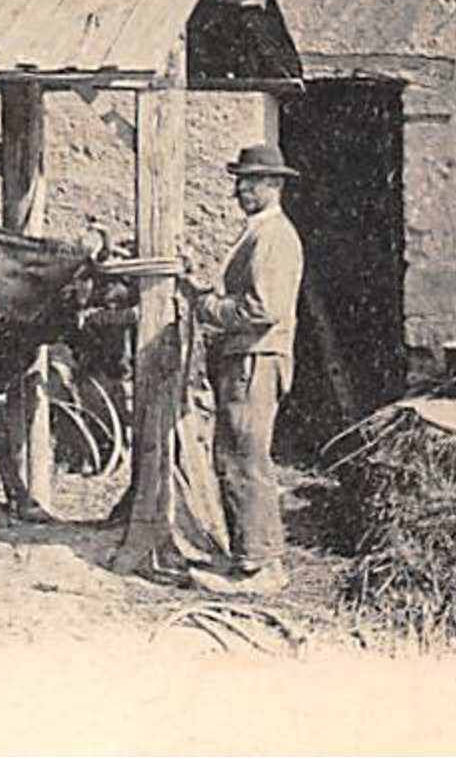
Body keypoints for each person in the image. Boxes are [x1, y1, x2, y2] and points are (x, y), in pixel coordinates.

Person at [181, 144, 305, 596]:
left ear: (275, 185)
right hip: (247, 357)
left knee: (245, 460)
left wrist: (206, 304)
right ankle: (254, 559)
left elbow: (262, 307)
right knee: (238, 457)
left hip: (256, 358)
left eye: (251, 180)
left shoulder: (273, 236)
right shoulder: (257, 232)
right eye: (239, 179)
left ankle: (259, 568)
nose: (241, 188)